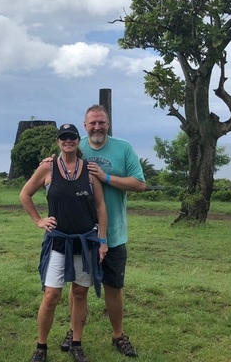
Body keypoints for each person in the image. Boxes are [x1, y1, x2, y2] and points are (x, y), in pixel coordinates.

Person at [59, 105, 146, 358]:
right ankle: (74, 332)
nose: (97, 127)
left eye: (102, 122)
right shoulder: (76, 146)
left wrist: (106, 178)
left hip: (115, 233)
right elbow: (58, 169)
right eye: (92, 123)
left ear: (108, 124)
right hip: (81, 234)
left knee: (113, 286)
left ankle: (118, 335)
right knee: (78, 288)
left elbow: (140, 184)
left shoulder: (123, 148)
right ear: (84, 126)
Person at [20, 123, 108, 362]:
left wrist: (102, 240)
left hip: (84, 241)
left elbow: (100, 207)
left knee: (80, 292)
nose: (68, 141)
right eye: (63, 137)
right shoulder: (48, 168)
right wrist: (38, 220)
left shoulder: (89, 171)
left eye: (72, 137)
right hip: (58, 242)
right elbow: (25, 194)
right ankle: (41, 347)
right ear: (58, 141)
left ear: (78, 141)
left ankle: (77, 343)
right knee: (51, 296)